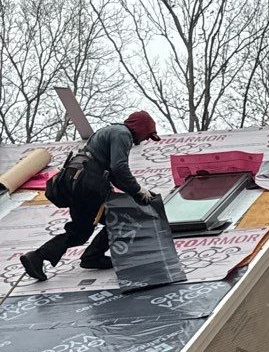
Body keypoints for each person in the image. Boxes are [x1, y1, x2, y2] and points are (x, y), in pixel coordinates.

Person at [20, 110, 164, 281]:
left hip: (75, 182)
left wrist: (135, 191)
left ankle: (36, 257)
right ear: (140, 128)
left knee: (80, 231)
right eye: (148, 135)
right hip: (88, 183)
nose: (146, 139)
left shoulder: (109, 132)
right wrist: (139, 190)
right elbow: (119, 168)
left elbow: (113, 174)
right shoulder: (123, 134)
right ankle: (93, 256)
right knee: (124, 218)